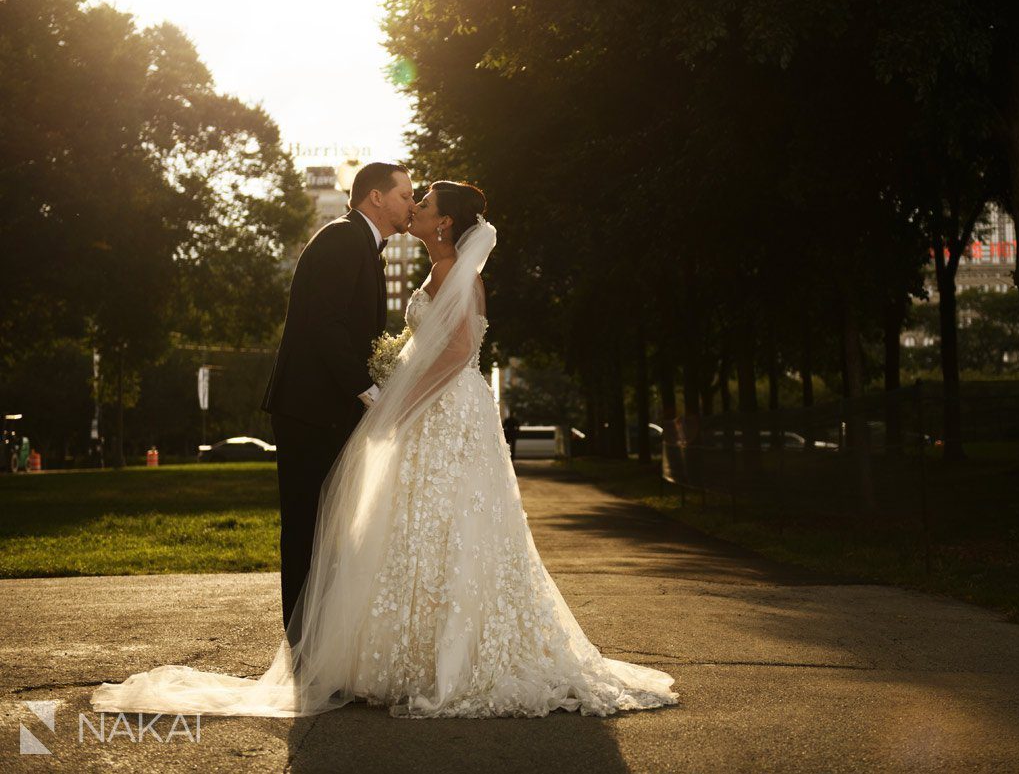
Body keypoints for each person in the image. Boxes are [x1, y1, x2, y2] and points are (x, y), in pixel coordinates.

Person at [90, 180, 679, 720]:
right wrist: (392, 381)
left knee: (453, 525)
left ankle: (455, 653)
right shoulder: (418, 268)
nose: (414, 207)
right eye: (407, 197)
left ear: (444, 224)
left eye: (422, 204)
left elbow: (456, 353)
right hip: (424, 407)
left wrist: (397, 396)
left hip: (449, 412)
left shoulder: (459, 276)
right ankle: (397, 649)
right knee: (413, 526)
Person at [259, 162, 414, 641]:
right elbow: (325, 325)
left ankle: (323, 641)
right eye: (406, 195)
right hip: (310, 411)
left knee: (331, 527)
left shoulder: (364, 245)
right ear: (375, 198)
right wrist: (370, 391)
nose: (411, 204)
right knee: (307, 527)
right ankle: (303, 646)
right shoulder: (343, 239)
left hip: (329, 411)